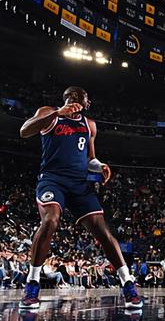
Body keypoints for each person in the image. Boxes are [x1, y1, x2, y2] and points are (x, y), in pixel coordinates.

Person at [18, 86, 142, 309]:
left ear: (85, 103)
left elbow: (89, 158)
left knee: (103, 232)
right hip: (53, 179)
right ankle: (32, 282)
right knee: (50, 221)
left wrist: (100, 166)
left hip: (79, 183)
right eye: (72, 96)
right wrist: (57, 113)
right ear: (67, 99)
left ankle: (128, 283)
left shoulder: (89, 125)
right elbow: (24, 131)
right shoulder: (49, 113)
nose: (76, 99)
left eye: (81, 98)